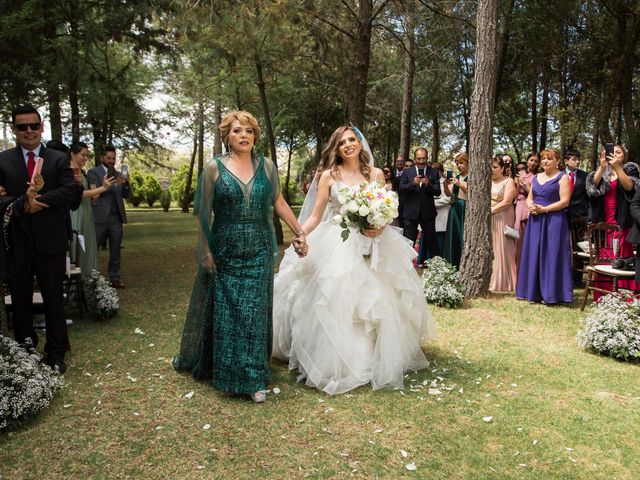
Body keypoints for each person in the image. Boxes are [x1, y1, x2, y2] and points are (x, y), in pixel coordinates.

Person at [272, 126, 435, 395]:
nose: (348, 145)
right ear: (335, 148)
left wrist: (380, 227)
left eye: (352, 140)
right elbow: (315, 215)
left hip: (374, 242)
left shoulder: (376, 174)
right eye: (342, 142)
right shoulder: (327, 176)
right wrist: (301, 235)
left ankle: (376, 357)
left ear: (360, 143)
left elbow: (386, 210)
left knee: (377, 298)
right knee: (337, 296)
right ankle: (340, 359)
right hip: (339, 241)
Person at [174, 111, 307, 404]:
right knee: (229, 312)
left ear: (255, 136)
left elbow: (278, 201)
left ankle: (253, 376)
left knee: (255, 312)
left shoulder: (268, 167)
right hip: (225, 248)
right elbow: (204, 213)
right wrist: (205, 249)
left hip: (259, 247)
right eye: (236, 131)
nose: (243, 135)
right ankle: (228, 370)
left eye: (248, 130)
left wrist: (299, 231)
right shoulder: (214, 168)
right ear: (227, 137)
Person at [0, 104, 77, 373]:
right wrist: (22, 203)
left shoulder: (57, 159)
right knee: (20, 299)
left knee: (53, 298)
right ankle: (25, 350)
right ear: (14, 130)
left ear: (42, 126)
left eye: (34, 125)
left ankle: (56, 353)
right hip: (17, 243)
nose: (29, 131)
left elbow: (70, 193)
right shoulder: (3, 160)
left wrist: (39, 201)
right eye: (22, 127)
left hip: (50, 242)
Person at [516, 149, 572, 304]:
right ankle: (532, 291)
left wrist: (544, 209)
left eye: (550, 158)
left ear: (558, 161)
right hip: (535, 220)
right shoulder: (537, 177)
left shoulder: (563, 177)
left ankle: (553, 293)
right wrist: (530, 206)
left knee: (552, 254)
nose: (545, 161)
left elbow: (565, 201)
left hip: (554, 220)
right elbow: (530, 196)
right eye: (544, 159)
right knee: (534, 252)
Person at [585, 143, 639, 299]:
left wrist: (617, 168)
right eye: (611, 152)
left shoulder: (629, 169)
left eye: (618, 152)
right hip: (603, 222)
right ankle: (603, 297)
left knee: (622, 257)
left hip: (622, 221)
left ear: (624, 155)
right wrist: (602, 168)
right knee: (604, 257)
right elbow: (591, 189)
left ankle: (624, 296)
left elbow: (630, 187)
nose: (614, 154)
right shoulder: (602, 172)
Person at [69, 142, 115, 279]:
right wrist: (103, 188)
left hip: (87, 211)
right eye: (83, 155)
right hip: (77, 212)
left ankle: (87, 281)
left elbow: (88, 193)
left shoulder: (81, 172)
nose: (85, 158)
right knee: (77, 247)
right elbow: (78, 195)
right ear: (72, 154)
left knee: (87, 247)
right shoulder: (70, 171)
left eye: (87, 156)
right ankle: (76, 284)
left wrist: (95, 194)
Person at [87, 145, 130, 288]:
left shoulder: (119, 174)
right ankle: (91, 277)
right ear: (102, 158)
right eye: (108, 158)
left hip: (115, 217)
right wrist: (112, 185)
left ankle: (114, 278)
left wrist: (126, 184)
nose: (111, 161)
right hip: (99, 216)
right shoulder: (93, 172)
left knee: (116, 248)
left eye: (113, 158)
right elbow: (94, 194)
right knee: (95, 248)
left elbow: (126, 195)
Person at [399, 147, 441, 259]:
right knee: (408, 242)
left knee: (431, 242)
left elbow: (438, 192)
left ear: (427, 158)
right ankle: (406, 267)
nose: (421, 161)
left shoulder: (434, 172)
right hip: (410, 213)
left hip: (428, 214)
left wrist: (429, 185)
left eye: (424, 158)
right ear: (415, 158)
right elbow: (401, 189)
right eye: (419, 159)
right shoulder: (407, 172)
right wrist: (412, 184)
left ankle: (434, 268)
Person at [489, 156, 518, 292]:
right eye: (490, 167)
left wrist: (492, 210)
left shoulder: (509, 181)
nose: (492, 170)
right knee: (492, 248)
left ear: (502, 169)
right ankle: (490, 278)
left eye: (495, 167)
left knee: (502, 248)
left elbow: (507, 201)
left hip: (503, 216)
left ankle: (504, 282)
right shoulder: (487, 182)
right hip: (489, 218)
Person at [564, 148, 589, 287]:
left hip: (580, 217)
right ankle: (563, 276)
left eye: (578, 159)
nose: (577, 162)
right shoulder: (559, 176)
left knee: (579, 246)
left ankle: (577, 280)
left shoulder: (585, 176)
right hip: (561, 215)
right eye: (574, 159)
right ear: (566, 161)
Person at [419, 162, 451, 262]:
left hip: (441, 215)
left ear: (441, 171)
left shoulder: (445, 182)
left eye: (438, 170)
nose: (436, 172)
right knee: (427, 238)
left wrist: (431, 203)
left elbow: (447, 199)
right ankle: (425, 260)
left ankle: (438, 261)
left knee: (439, 239)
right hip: (427, 215)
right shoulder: (426, 181)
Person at [442, 152, 468, 268]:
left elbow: (471, 192)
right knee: (454, 235)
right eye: (457, 163)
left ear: (468, 163)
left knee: (462, 233)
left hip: (464, 208)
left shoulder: (471, 175)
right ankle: (452, 262)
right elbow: (449, 194)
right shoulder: (457, 177)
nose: (458, 166)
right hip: (454, 208)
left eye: (461, 163)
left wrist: (460, 184)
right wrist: (445, 185)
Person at [514, 153, 539, 270]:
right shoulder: (521, 173)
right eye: (531, 160)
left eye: (535, 161)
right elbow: (514, 189)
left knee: (524, 236)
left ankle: (524, 267)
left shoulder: (538, 176)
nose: (533, 163)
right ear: (527, 160)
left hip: (527, 204)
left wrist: (527, 185)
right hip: (517, 203)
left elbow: (534, 194)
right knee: (515, 233)